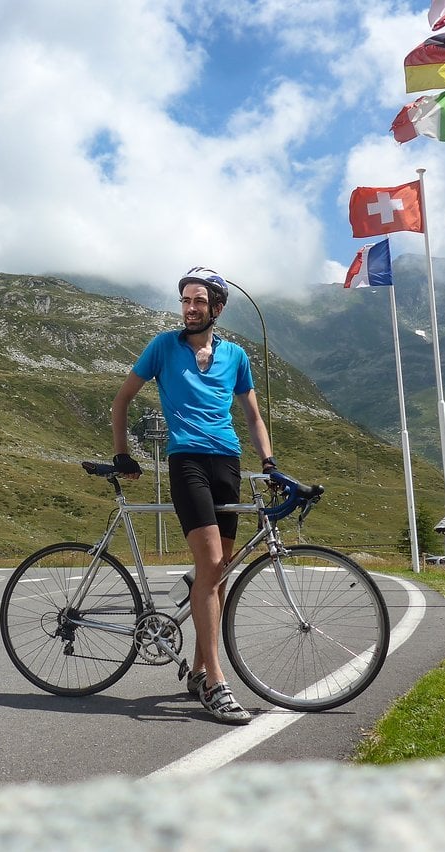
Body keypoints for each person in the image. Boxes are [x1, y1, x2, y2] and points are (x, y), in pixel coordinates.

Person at [111, 266, 276, 725]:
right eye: (185, 300)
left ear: (216, 308)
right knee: (208, 565)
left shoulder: (236, 355)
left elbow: (254, 417)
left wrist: (268, 462)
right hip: (186, 462)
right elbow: (122, 399)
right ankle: (217, 682)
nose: (189, 308)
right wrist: (123, 454)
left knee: (219, 571)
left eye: (198, 301)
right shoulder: (163, 347)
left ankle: (199, 669)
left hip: (227, 462)